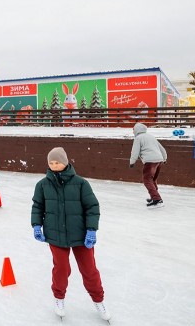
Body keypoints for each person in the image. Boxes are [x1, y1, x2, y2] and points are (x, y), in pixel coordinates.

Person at [31, 147, 111, 322]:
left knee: (89, 270)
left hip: (81, 236)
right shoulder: (42, 185)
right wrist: (37, 225)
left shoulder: (81, 184)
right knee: (61, 269)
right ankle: (59, 298)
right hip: (55, 235)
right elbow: (38, 207)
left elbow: (92, 207)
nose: (54, 166)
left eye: (57, 162)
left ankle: (99, 300)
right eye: (51, 163)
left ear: (65, 162)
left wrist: (91, 229)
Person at [129, 122, 167, 209]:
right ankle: (154, 197)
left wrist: (132, 162)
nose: (133, 132)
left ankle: (157, 200)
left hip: (150, 161)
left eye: (133, 130)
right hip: (159, 160)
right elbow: (162, 149)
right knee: (153, 180)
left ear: (136, 130)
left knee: (147, 180)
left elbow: (135, 151)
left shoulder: (138, 138)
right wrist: (164, 159)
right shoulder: (151, 136)